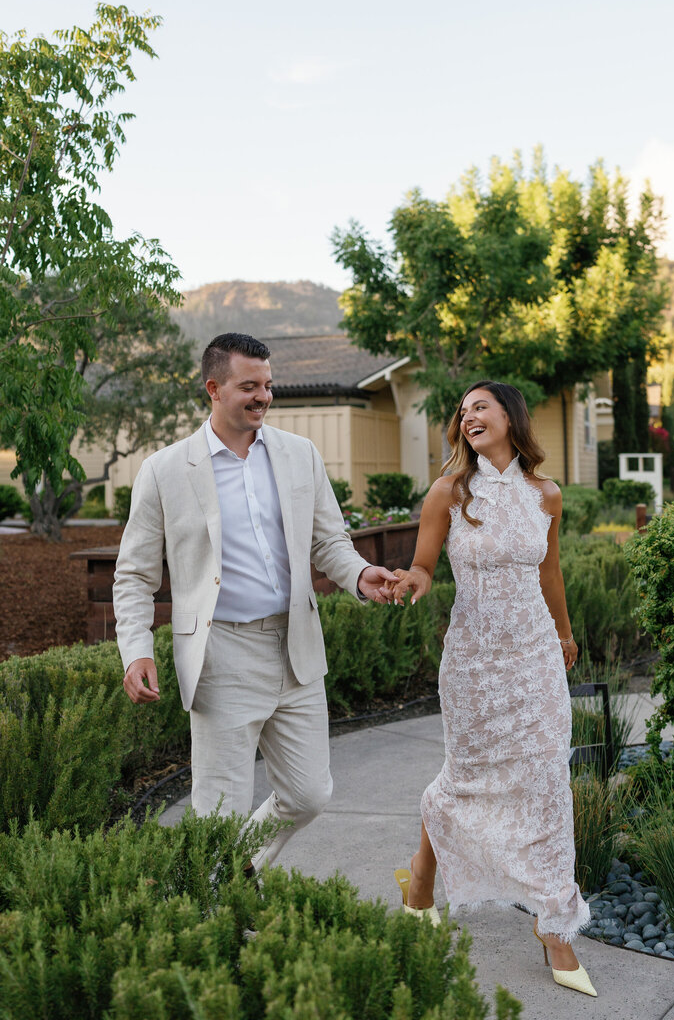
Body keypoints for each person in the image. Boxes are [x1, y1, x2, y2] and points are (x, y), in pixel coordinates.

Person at [114, 332, 397, 875]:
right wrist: (136, 650)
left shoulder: (299, 455)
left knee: (309, 793)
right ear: (213, 389)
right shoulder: (165, 470)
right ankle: (218, 915)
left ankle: (231, 871)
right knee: (217, 810)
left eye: (268, 385)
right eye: (250, 386)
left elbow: (328, 542)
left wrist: (362, 576)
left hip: (295, 647)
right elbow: (133, 576)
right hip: (221, 654)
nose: (263, 396)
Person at [390, 380, 595, 997]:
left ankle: (554, 923)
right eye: (463, 411)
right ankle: (421, 881)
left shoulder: (546, 495)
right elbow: (425, 565)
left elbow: (550, 570)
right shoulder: (449, 492)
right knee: (468, 774)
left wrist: (563, 634)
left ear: (509, 416)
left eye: (480, 405)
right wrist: (413, 582)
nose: (468, 415)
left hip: (533, 654)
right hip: (475, 659)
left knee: (545, 777)